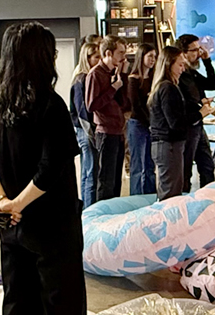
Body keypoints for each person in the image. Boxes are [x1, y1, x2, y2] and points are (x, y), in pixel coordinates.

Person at [0, 22, 89, 315]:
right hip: (51, 218)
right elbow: (52, 167)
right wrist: (20, 202)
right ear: (43, 57)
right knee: (61, 292)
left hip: (11, 221)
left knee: (18, 290)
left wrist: (4, 203)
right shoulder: (50, 104)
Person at [148, 44, 201, 200]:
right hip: (168, 145)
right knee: (170, 192)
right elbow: (176, 122)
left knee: (172, 188)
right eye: (180, 65)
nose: (182, 69)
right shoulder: (167, 88)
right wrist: (199, 114)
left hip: (166, 144)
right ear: (169, 64)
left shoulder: (166, 87)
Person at [85, 37, 130, 203]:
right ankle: (103, 218)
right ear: (108, 53)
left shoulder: (114, 73)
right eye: (120, 53)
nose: (124, 57)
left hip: (118, 131)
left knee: (117, 179)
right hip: (105, 132)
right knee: (106, 180)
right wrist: (112, 89)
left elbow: (124, 103)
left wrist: (122, 78)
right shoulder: (95, 74)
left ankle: (114, 215)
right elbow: (91, 105)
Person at [176, 34, 215, 188]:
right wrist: (198, 105)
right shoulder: (180, 75)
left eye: (199, 49)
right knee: (185, 168)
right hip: (187, 126)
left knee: (207, 164)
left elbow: (211, 84)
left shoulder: (192, 73)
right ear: (183, 53)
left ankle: (208, 197)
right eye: (194, 50)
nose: (198, 53)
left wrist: (207, 61)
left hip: (197, 125)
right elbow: (182, 100)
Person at [69, 38, 101, 206]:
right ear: (87, 59)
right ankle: (89, 210)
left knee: (89, 171)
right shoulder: (81, 80)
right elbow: (82, 112)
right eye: (96, 58)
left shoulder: (88, 78)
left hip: (87, 129)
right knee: (90, 172)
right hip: (85, 130)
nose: (99, 61)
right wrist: (91, 133)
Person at [125, 44, 158, 195]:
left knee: (150, 164)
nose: (153, 59)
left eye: (155, 56)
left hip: (151, 124)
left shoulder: (153, 79)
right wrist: (149, 123)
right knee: (138, 165)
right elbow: (136, 106)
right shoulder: (133, 79)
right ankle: (136, 196)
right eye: (150, 56)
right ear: (141, 57)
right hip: (138, 124)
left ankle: (150, 195)